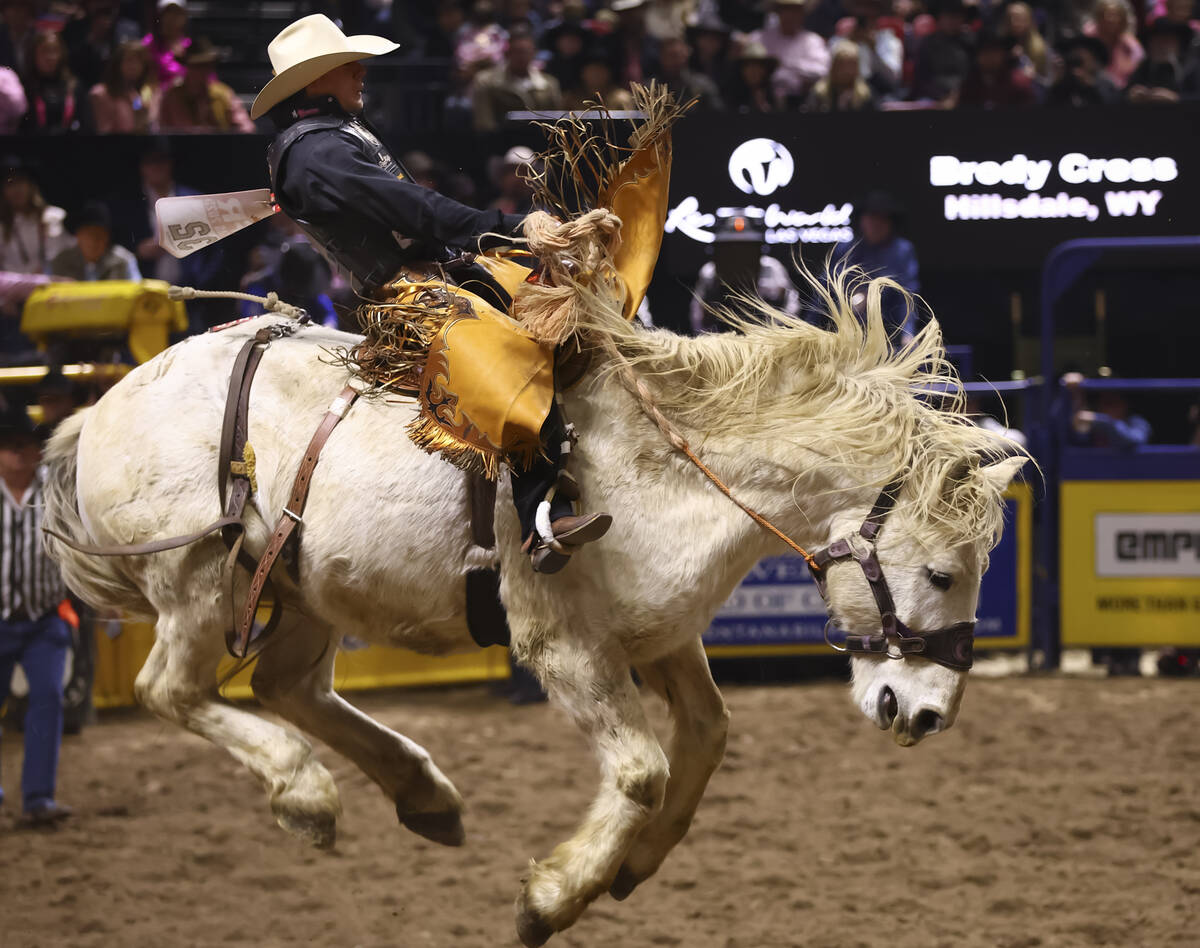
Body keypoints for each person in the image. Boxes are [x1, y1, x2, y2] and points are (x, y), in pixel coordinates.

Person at [250, 14, 611, 573]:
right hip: (403, 294)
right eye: (348, 66)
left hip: (435, 272)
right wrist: (512, 227)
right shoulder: (315, 153)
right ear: (317, 81)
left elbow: (413, 210)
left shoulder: (330, 138)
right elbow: (409, 208)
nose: (360, 72)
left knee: (571, 306)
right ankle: (541, 515)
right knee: (506, 353)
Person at [0, 407, 73, 826]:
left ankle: (39, 799)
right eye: (11, 444)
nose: (19, 451)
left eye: (26, 444)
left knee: (47, 698)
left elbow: (78, 541)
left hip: (45, 617)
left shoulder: (56, 490)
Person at [830, 190, 920, 342]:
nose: (876, 224)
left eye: (882, 219)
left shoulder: (902, 251)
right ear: (861, 220)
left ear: (891, 222)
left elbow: (907, 296)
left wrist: (908, 333)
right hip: (846, 332)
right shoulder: (844, 250)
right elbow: (826, 291)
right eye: (871, 217)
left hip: (890, 333)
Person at [689, 213, 800, 334]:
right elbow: (698, 317)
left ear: (759, 251)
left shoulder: (772, 269)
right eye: (730, 249)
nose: (738, 256)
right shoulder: (709, 273)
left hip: (766, 339)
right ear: (717, 253)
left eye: (746, 249)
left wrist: (775, 333)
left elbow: (792, 308)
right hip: (724, 341)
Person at [471, 22, 562, 133]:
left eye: (525, 52)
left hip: (541, 144)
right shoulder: (486, 81)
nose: (521, 57)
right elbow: (485, 124)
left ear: (533, 53)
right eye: (516, 52)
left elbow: (557, 126)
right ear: (507, 54)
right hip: (501, 143)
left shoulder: (548, 84)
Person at [156, 37, 255, 132]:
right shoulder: (172, 98)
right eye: (197, 66)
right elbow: (164, 136)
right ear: (187, 67)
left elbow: (246, 128)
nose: (203, 71)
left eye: (207, 65)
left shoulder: (223, 94)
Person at [750, 0, 831, 107]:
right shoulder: (760, 38)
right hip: (765, 98)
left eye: (795, 10)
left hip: (803, 101)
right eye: (786, 10)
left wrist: (788, 63)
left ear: (803, 13)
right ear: (777, 12)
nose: (790, 15)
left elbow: (822, 70)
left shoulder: (812, 41)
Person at [0, 157, 71, 277]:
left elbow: (60, 258)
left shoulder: (52, 217)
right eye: (10, 184)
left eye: (21, 182)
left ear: (31, 186)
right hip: (8, 291)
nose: (17, 190)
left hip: (48, 287)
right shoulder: (2, 225)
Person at [49, 202, 141, 282]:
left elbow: (137, 293)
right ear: (78, 236)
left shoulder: (123, 261)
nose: (94, 240)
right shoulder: (61, 262)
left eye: (99, 234)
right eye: (88, 234)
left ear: (107, 237)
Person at [20, 30, 87, 133]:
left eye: (54, 51)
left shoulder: (74, 86)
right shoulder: (25, 87)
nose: (50, 57)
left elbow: (86, 126)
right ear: (33, 54)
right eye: (45, 51)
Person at [911, 0, 976, 104]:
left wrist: (959, 95)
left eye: (957, 16)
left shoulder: (971, 43)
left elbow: (975, 75)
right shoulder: (927, 43)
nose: (952, 21)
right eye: (948, 16)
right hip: (933, 96)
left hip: (965, 96)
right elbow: (922, 79)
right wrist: (942, 97)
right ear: (939, 18)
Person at [88, 37, 154, 133]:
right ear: (118, 63)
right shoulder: (100, 94)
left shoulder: (136, 95)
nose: (135, 66)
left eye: (139, 62)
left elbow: (140, 129)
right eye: (129, 60)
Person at [957, 29, 1037, 107]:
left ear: (1003, 54)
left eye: (995, 52)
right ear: (977, 55)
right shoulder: (969, 84)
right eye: (985, 52)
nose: (990, 57)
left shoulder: (1019, 83)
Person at [1046, 33, 1120, 104]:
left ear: (1096, 61)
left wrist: (1090, 85)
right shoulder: (1065, 84)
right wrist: (1057, 81)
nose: (1076, 53)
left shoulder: (1105, 85)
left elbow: (1113, 106)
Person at [805, 39, 876, 111]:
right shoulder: (819, 93)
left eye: (851, 65)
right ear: (834, 67)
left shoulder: (866, 94)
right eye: (843, 65)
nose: (847, 71)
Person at [144, 0, 191, 88]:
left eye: (176, 12)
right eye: (168, 12)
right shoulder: (149, 43)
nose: (172, 17)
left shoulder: (189, 45)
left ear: (184, 17)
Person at [726, 41, 781, 112]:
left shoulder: (773, 93)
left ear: (766, 70)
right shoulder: (731, 92)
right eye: (750, 66)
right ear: (742, 69)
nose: (754, 71)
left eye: (759, 66)